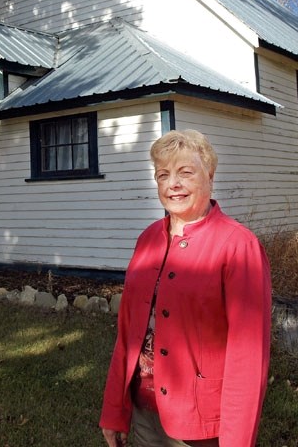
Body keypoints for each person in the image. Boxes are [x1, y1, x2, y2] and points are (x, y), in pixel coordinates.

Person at [100, 129, 271, 447]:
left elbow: (248, 356)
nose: (172, 184)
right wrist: (114, 410)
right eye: (163, 174)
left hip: (201, 424)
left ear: (210, 175)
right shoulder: (148, 239)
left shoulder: (238, 245)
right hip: (144, 412)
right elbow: (128, 331)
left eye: (185, 173)